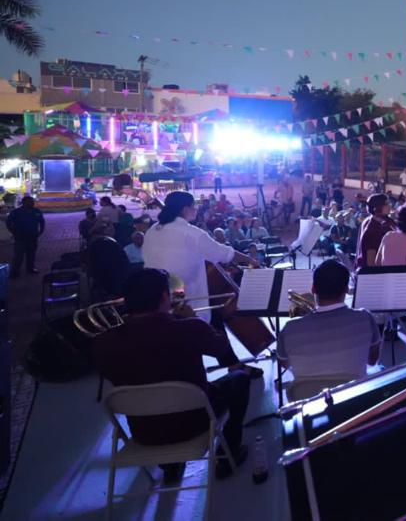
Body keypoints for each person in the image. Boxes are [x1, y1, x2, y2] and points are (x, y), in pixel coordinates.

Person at [93, 268, 250, 481]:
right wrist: (195, 319)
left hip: (145, 432)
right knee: (240, 379)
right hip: (195, 422)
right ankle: (229, 455)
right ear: (164, 297)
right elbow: (221, 348)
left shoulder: (104, 343)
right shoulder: (189, 328)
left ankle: (170, 466)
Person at [142, 192, 258, 318]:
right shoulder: (192, 233)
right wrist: (250, 260)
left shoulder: (152, 230)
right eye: (194, 205)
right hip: (189, 306)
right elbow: (224, 253)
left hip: (156, 302)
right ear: (185, 209)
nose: (196, 209)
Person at [277, 260, 380, 380]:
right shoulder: (365, 318)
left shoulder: (290, 328)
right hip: (354, 390)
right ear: (347, 289)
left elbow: (285, 363)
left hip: (309, 391)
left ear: (313, 289)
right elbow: (372, 361)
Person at [6, 195, 45, 278]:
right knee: (18, 255)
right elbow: (8, 223)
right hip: (20, 237)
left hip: (32, 237)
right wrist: (13, 232)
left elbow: (42, 221)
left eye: (33, 202)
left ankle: (30, 268)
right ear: (24, 203)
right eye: (30, 202)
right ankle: (15, 271)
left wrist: (41, 231)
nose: (32, 203)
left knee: (31, 254)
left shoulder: (36, 211)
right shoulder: (16, 212)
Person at [355, 193, 396, 269]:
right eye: (386, 204)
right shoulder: (372, 230)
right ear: (377, 207)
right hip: (374, 272)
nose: (390, 206)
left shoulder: (387, 221)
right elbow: (371, 263)